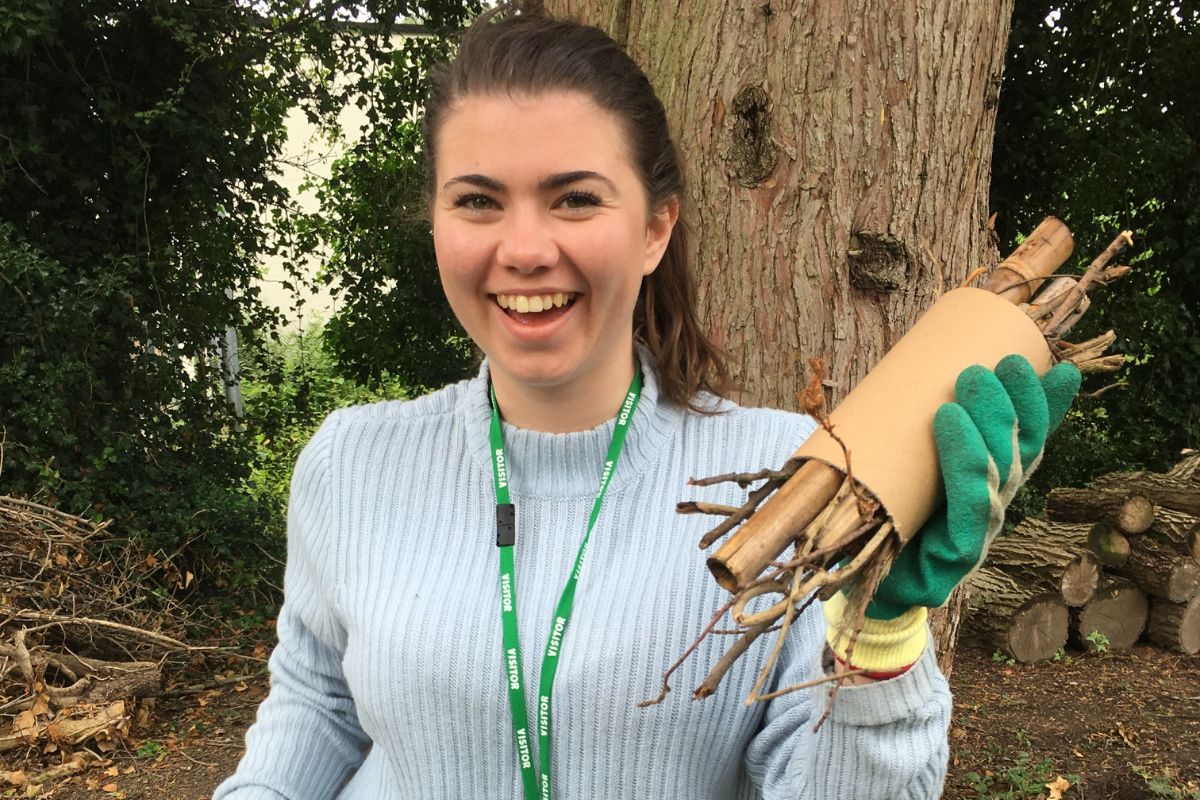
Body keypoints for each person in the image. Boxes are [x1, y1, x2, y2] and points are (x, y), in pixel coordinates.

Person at [214, 10, 1079, 800]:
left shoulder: (798, 490)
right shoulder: (351, 462)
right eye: (477, 200)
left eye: (576, 199)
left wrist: (879, 637)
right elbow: (316, 703)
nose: (522, 248)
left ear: (657, 228)